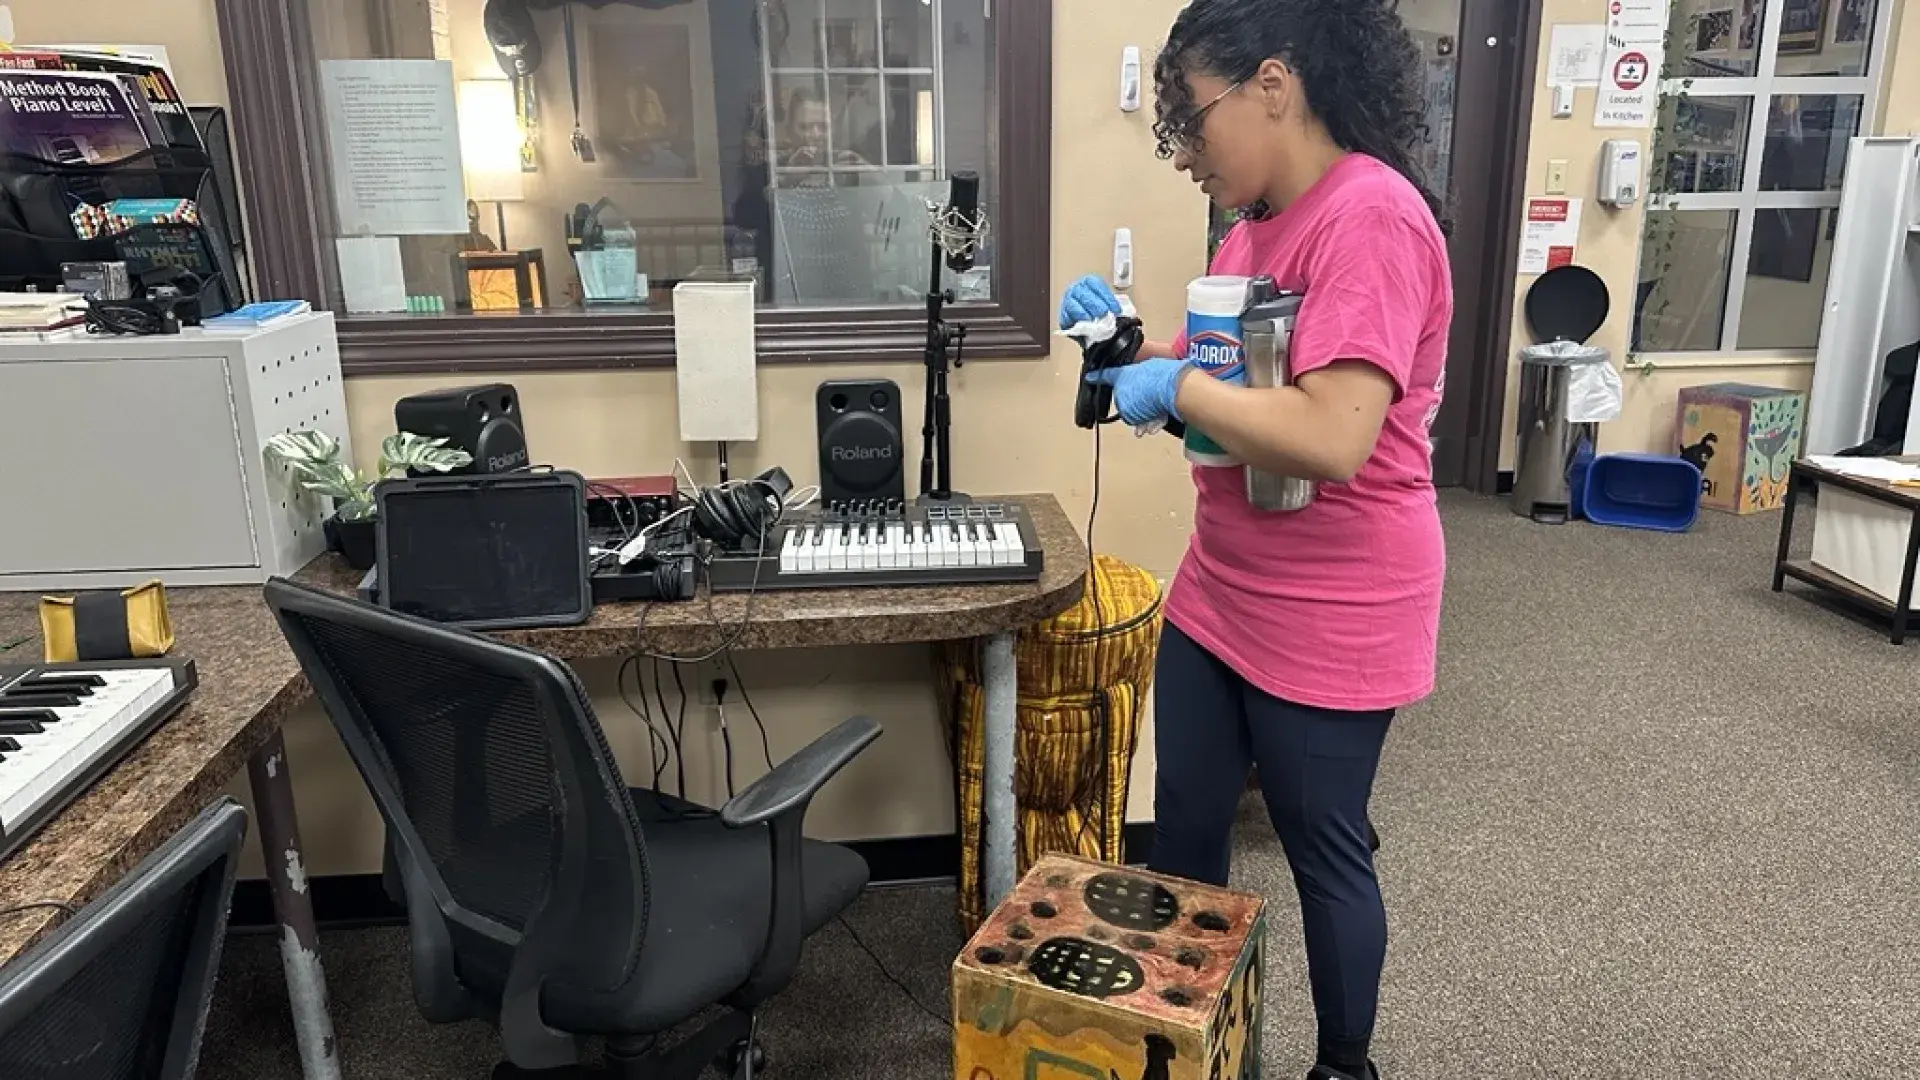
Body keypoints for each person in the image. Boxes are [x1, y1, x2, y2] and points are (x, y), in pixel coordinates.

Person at [1062, 2, 1451, 1078]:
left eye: (1191, 121)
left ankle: (1344, 1064)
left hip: (1338, 601)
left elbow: (1332, 432)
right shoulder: (1251, 230)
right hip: (1223, 587)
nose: (1184, 154)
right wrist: (1125, 349)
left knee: (1322, 845)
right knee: (1185, 821)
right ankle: (1179, 1040)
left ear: (1272, 86)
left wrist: (1175, 381)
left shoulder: (1370, 217)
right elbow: (1211, 398)